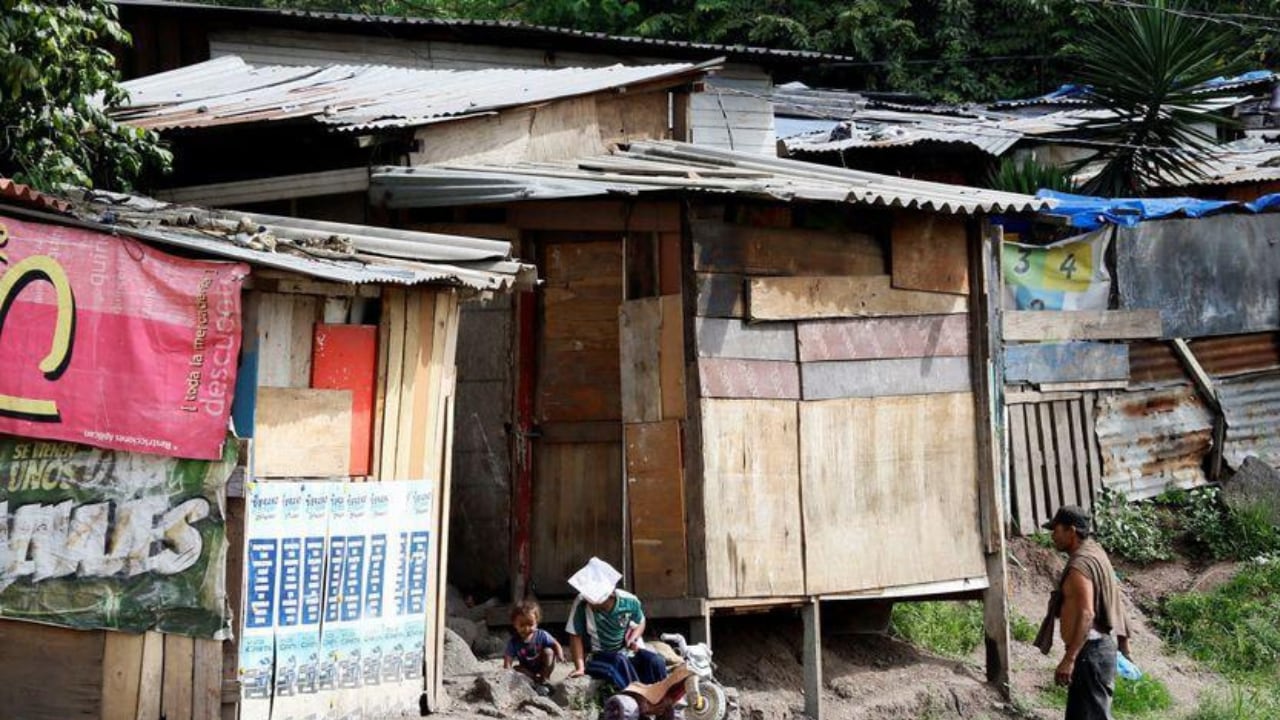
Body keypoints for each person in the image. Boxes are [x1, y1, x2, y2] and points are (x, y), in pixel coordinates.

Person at [1034, 505, 1132, 720]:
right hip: (1097, 651)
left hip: (1091, 655)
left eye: (1056, 529)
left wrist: (1069, 659)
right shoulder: (1095, 551)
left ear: (1071, 530)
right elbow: (1113, 595)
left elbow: (1087, 614)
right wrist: (1124, 644)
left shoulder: (1080, 566)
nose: (1052, 536)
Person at [565, 557, 668, 689]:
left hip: (625, 652)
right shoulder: (581, 603)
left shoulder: (630, 601)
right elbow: (575, 635)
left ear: (610, 596)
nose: (590, 603)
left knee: (655, 661)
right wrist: (580, 667)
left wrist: (634, 638)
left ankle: (664, 697)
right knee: (620, 661)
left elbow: (640, 622)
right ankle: (639, 695)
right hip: (598, 656)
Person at [503, 599, 564, 693]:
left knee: (549, 652)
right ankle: (534, 681)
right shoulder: (514, 641)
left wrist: (560, 655)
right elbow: (508, 658)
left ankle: (545, 679)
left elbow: (555, 644)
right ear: (515, 624)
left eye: (530, 624)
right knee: (516, 669)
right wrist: (507, 671)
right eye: (522, 625)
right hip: (527, 670)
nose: (526, 628)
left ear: (537, 622)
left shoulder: (542, 635)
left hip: (543, 665)